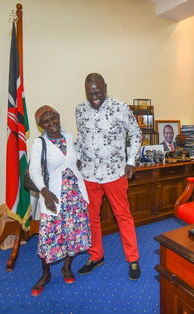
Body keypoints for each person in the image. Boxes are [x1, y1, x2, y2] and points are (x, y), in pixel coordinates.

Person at [75, 73, 142, 280]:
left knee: (123, 216)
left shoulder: (120, 107)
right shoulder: (79, 110)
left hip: (114, 173)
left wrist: (131, 161)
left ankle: (132, 259)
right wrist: (77, 157)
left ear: (105, 87)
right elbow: (81, 137)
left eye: (98, 91)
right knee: (91, 217)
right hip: (88, 174)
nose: (94, 96)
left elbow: (136, 133)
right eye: (90, 93)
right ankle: (96, 256)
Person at [29, 105, 91, 296]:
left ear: (58, 117)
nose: (51, 123)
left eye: (53, 118)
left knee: (73, 234)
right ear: (41, 126)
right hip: (53, 198)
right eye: (45, 121)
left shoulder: (70, 138)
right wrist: (44, 191)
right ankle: (46, 274)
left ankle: (66, 268)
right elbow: (34, 171)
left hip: (75, 196)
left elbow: (76, 160)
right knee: (49, 237)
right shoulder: (40, 143)